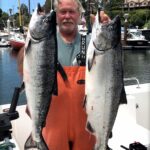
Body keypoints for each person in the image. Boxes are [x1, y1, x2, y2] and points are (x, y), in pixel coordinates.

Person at [17, 0, 110, 149]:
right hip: (53, 127)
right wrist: (29, 46)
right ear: (57, 16)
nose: (67, 16)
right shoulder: (46, 40)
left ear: (79, 15)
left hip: (85, 130)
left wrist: (107, 33)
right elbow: (25, 67)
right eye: (63, 12)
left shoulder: (93, 44)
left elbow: (111, 66)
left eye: (72, 12)